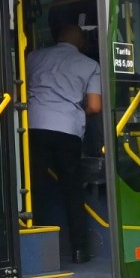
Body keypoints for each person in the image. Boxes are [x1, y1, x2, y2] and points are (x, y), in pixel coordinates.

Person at [27, 15, 101, 263]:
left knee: (33, 187)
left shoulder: (33, 57)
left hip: (34, 127)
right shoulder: (90, 65)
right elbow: (95, 106)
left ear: (57, 38)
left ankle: (34, 247)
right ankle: (79, 250)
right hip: (67, 130)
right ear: (81, 43)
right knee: (72, 190)